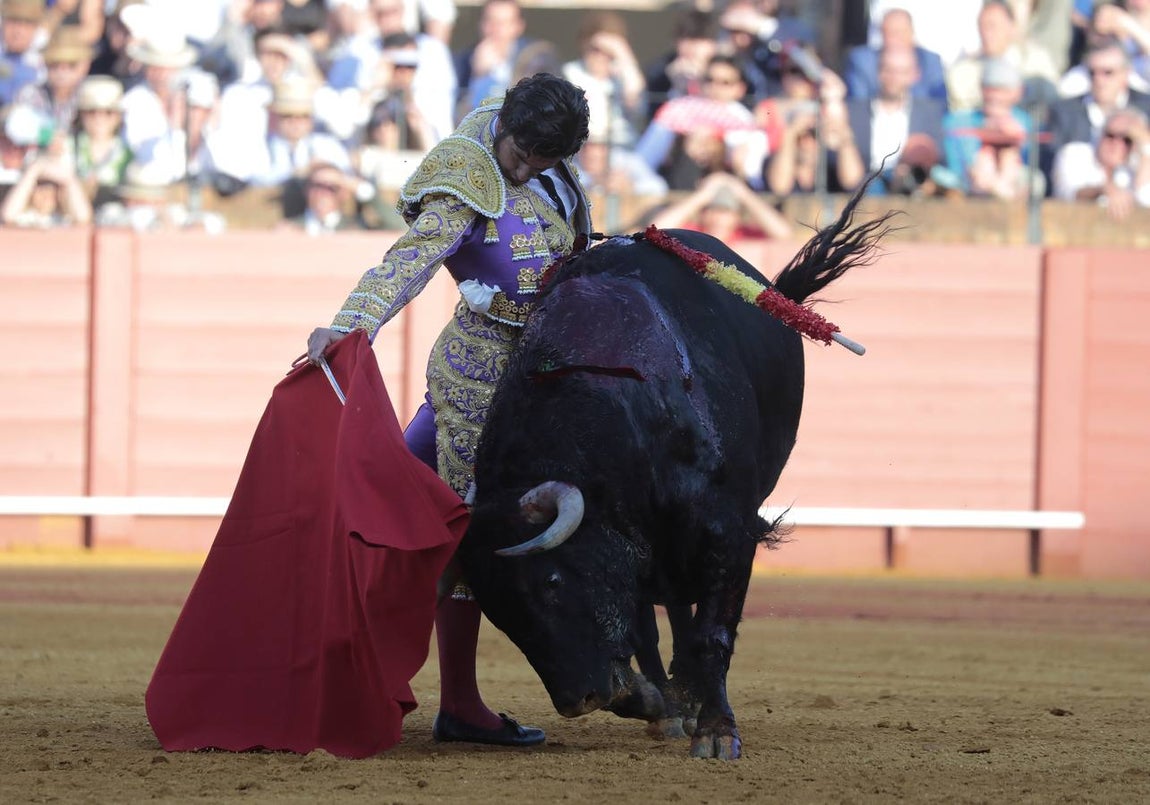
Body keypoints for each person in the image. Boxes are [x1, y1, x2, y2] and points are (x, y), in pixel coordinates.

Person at [304, 73, 591, 747]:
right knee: (454, 529)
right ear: (506, 125)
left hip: (552, 368)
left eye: (538, 162)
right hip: (482, 377)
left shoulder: (546, 158)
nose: (519, 169)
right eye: (517, 153)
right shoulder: (465, 173)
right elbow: (411, 260)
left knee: (405, 522)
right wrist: (352, 326)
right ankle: (455, 701)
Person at [647, 169, 792, 245]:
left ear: (736, 216)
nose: (718, 218)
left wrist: (744, 193)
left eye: (725, 211)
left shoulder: (743, 234)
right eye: (713, 210)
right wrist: (702, 195)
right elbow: (655, 227)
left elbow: (783, 233)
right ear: (703, 213)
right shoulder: (693, 232)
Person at [1051, 105, 1150, 217]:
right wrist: (1102, 190)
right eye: (1110, 135)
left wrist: (1146, 146)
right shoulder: (1075, 154)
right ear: (1100, 134)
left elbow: (1145, 200)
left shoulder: (1134, 167)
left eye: (1126, 140)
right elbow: (1067, 193)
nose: (1116, 144)